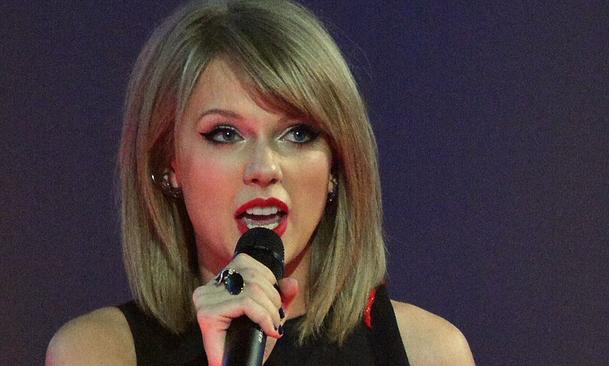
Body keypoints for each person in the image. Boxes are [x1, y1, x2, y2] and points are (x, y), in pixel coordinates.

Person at [46, 0, 475, 365]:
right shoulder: (99, 351)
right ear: (169, 164)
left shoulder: (428, 352)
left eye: (298, 133)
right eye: (225, 134)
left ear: (336, 167)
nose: (264, 167)